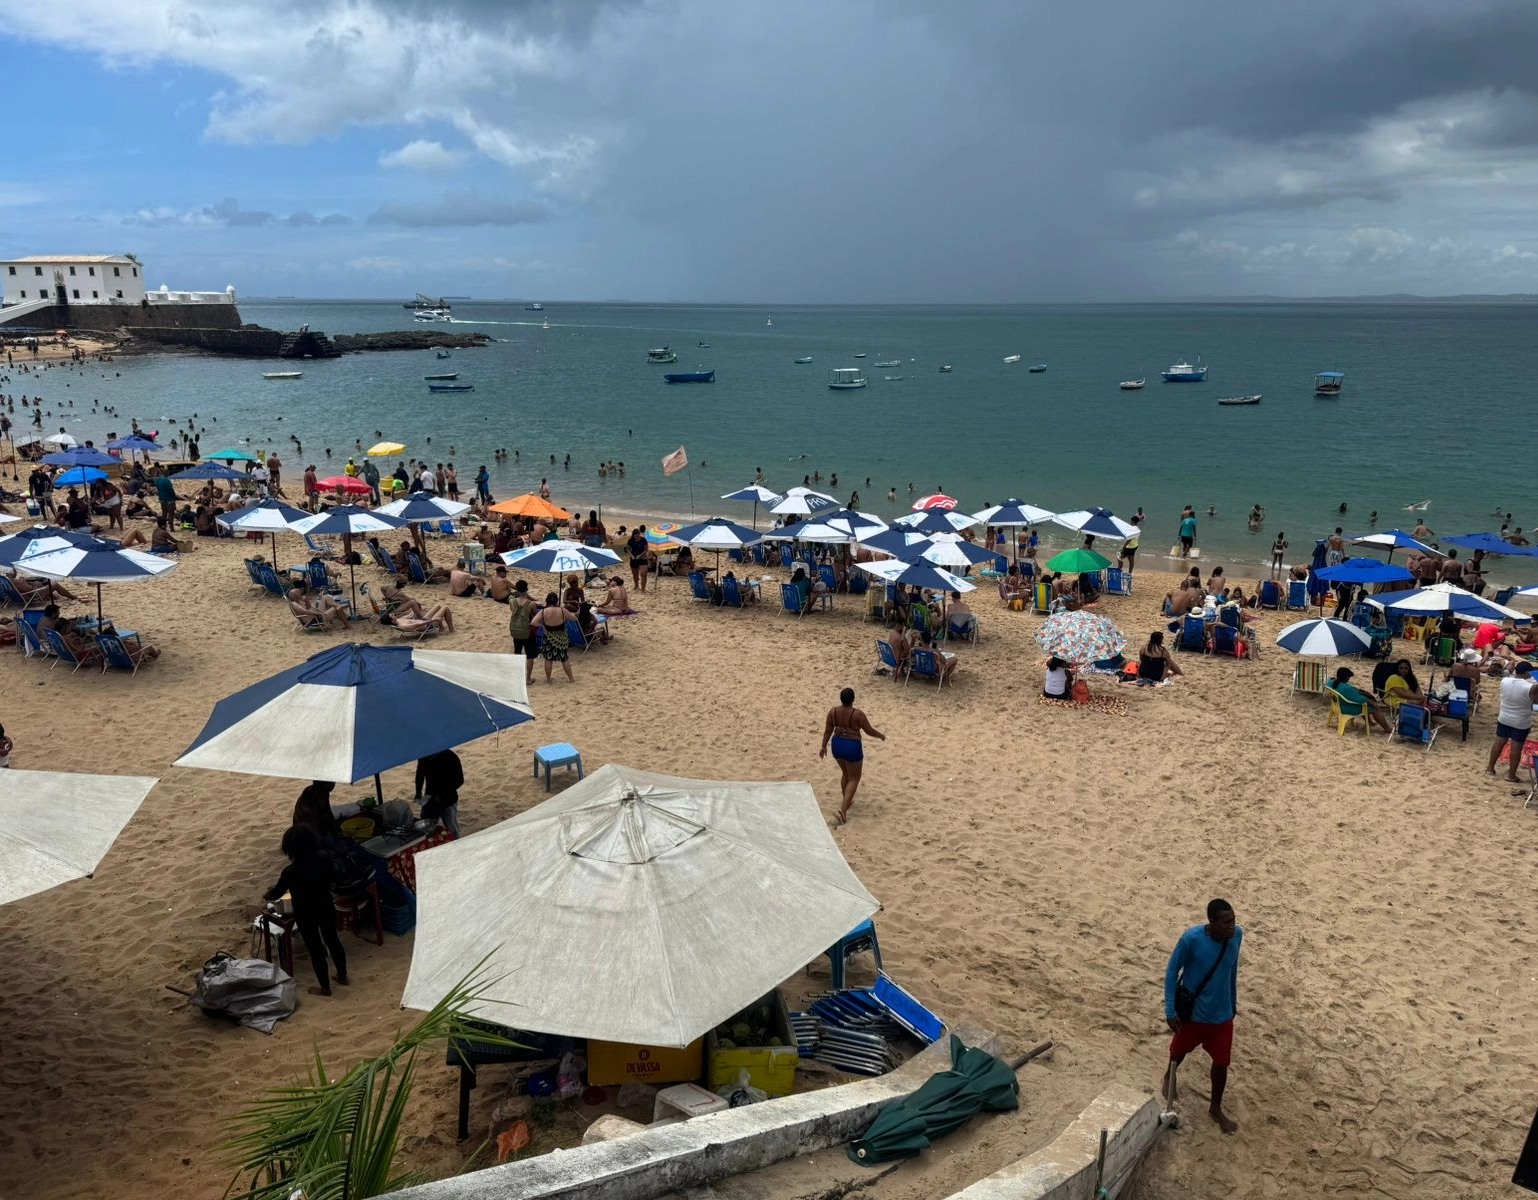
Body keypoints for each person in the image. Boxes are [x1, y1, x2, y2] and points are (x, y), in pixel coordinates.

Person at [1163, 899, 1242, 1134]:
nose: (1232, 926)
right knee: (1179, 1051)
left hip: (1222, 1016)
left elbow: (1232, 968)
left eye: (1233, 920)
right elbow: (1171, 971)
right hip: (1195, 1014)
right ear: (1211, 922)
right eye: (1226, 922)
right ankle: (1169, 1075)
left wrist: (1233, 1001)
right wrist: (1170, 1010)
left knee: (1221, 1063)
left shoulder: (1237, 935)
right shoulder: (1191, 940)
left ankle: (1215, 1108)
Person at [263, 826, 349, 997]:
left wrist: (266, 895)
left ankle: (325, 988)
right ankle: (342, 976)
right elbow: (335, 877)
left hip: (305, 913)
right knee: (333, 940)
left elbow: (276, 893)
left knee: (316, 949)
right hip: (326, 906)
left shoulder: (290, 872)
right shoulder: (323, 857)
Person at [819, 686, 885, 824]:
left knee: (845, 774)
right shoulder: (857, 714)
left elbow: (827, 731)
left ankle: (846, 800)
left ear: (841, 699)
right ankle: (843, 810)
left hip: (837, 744)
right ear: (853, 699)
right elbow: (869, 730)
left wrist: (823, 746)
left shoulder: (833, 712)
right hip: (851, 746)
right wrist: (880, 736)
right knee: (854, 778)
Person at [1487, 661, 1538, 782]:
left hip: (1504, 717)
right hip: (1520, 721)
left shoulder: (1505, 681)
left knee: (1499, 742)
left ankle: (1490, 768)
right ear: (1526, 673)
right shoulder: (1530, 687)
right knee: (1516, 748)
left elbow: (1508, 669)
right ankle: (1511, 775)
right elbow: (1536, 702)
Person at [415, 748, 464, 836]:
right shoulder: (424, 757)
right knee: (426, 829)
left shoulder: (450, 757)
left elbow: (459, 780)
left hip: (448, 799)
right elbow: (420, 774)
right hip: (430, 799)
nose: (429, 757)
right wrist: (418, 792)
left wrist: (441, 795)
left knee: (452, 829)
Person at [1329, 666, 1391, 732]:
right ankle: (1386, 728)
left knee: (1364, 704)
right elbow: (1360, 699)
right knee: (1374, 708)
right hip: (1345, 708)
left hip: (1336, 706)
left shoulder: (1332, 682)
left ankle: (1369, 722)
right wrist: (1373, 703)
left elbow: (1353, 695)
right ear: (1347, 678)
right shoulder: (1346, 688)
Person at [536, 591, 575, 683]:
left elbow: (533, 622)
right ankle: (571, 678)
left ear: (547, 601)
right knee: (564, 658)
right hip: (561, 636)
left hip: (549, 637)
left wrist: (543, 626)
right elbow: (574, 618)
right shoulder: (562, 610)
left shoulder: (543, 611)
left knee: (548, 659)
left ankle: (549, 679)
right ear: (557, 601)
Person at [507, 579, 538, 682]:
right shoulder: (531, 604)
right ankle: (528, 678)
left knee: (517, 653)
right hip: (527, 631)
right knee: (530, 655)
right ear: (526, 589)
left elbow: (514, 612)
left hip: (515, 630)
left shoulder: (512, 602)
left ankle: (517, 677)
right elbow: (534, 616)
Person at [627, 525, 651, 593]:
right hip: (634, 559)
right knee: (635, 574)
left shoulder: (643, 540)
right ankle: (636, 585)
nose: (637, 537)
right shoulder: (630, 540)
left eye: (638, 536)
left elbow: (646, 549)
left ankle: (643, 588)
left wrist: (640, 555)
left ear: (639, 535)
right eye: (635, 536)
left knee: (643, 574)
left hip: (642, 558)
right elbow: (628, 549)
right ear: (633, 535)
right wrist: (631, 555)